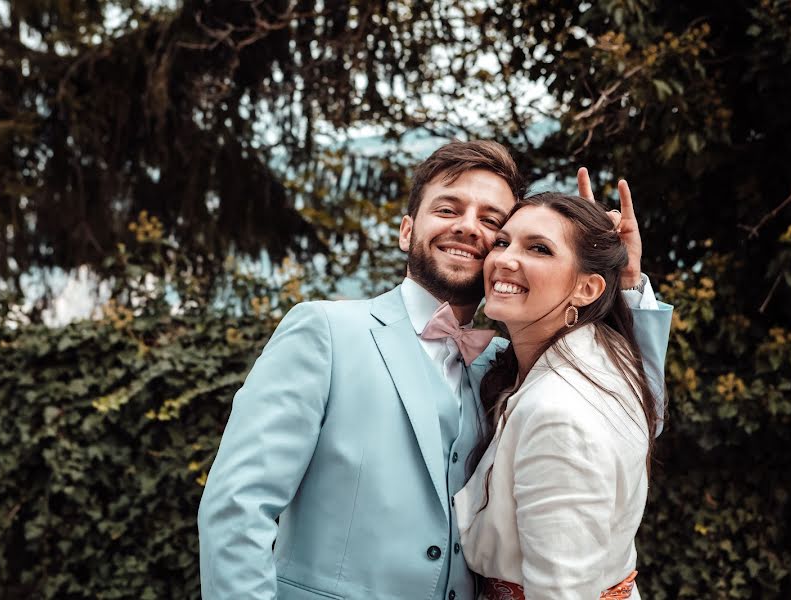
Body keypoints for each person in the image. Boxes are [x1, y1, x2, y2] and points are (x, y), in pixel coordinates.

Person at [198, 141, 672, 600]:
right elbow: (237, 510)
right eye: (448, 210)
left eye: (492, 222)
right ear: (407, 231)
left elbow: (626, 422)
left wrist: (621, 282)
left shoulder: (507, 366)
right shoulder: (326, 333)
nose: (469, 228)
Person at [454, 191, 662, 600]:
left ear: (587, 289)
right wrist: (618, 273)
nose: (504, 260)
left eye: (539, 248)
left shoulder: (559, 415)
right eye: (503, 241)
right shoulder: (609, 357)